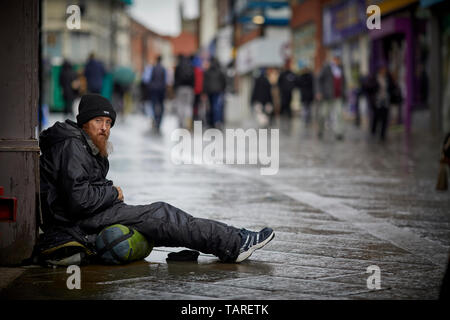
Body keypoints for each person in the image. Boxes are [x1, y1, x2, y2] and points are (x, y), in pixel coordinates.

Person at [37, 94, 275, 264]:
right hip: (73, 223)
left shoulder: (80, 144)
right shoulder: (72, 145)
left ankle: (231, 239)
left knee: (160, 223)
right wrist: (113, 193)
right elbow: (80, 200)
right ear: (84, 122)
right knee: (160, 214)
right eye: (98, 121)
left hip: (79, 217)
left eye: (109, 123)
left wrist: (109, 192)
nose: (104, 128)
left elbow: (83, 188)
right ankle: (234, 243)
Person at [363, 62, 398, 141]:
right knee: (377, 117)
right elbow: (368, 87)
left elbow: (392, 87)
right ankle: (373, 132)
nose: (383, 71)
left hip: (386, 100)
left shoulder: (388, 78)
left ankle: (382, 135)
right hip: (377, 101)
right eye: (382, 69)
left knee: (385, 117)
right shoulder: (374, 77)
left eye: (384, 69)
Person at [316, 50, 347, 140]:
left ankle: (339, 132)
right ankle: (320, 130)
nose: (337, 61)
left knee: (339, 114)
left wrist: (344, 92)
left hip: (338, 96)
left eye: (338, 59)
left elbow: (343, 81)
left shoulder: (341, 68)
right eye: (335, 59)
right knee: (323, 114)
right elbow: (319, 80)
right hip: (327, 96)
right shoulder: (326, 68)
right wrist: (319, 92)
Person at [203, 57, 227, 129]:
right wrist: (223, 89)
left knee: (210, 106)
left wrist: (204, 92)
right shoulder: (220, 71)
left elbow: (205, 82)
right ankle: (217, 122)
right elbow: (224, 82)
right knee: (217, 106)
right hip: (218, 91)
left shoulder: (207, 71)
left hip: (209, 91)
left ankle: (211, 122)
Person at [174, 55, 195, 129]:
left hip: (180, 88)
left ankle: (181, 122)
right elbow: (193, 78)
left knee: (180, 105)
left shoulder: (178, 66)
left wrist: (175, 88)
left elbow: (175, 78)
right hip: (189, 88)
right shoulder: (191, 66)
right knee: (188, 105)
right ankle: (188, 122)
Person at [148, 56, 167, 131]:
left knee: (154, 104)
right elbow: (165, 80)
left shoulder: (153, 68)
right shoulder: (163, 69)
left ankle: (155, 119)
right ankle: (159, 120)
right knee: (161, 105)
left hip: (154, 89)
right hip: (161, 89)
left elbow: (151, 79)